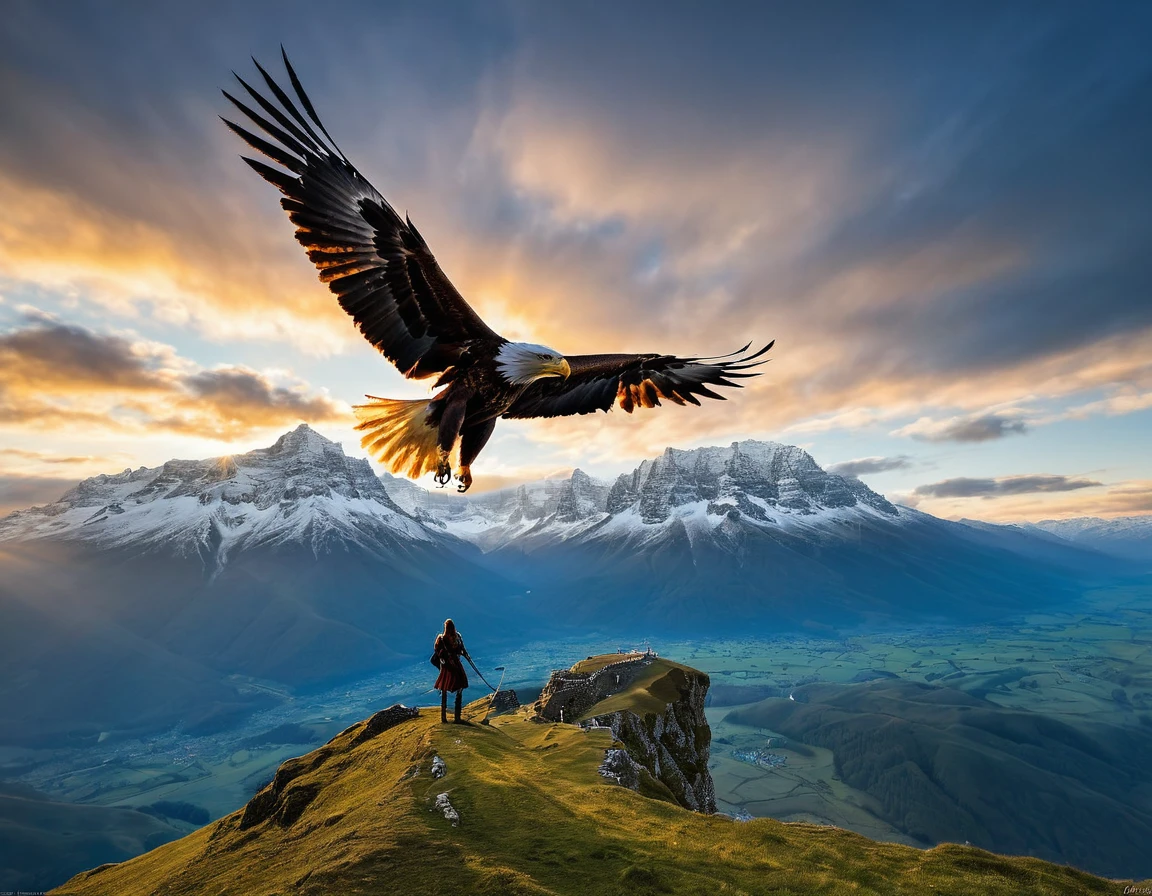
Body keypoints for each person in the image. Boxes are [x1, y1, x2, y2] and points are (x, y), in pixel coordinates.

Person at [433, 618, 470, 723]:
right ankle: (457, 717)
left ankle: (444, 718)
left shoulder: (441, 639)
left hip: (447, 667)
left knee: (444, 689)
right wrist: (465, 655)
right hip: (455, 665)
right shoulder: (457, 637)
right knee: (460, 688)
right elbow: (462, 649)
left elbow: (437, 652)